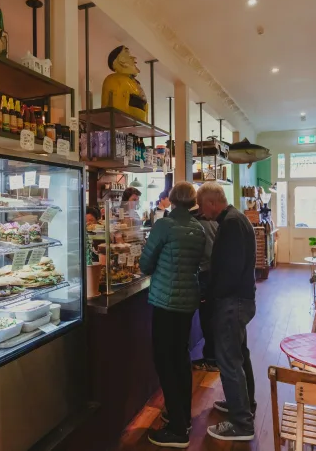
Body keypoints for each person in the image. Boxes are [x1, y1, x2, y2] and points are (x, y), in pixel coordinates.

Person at [139, 182, 207, 448]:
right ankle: (183, 416)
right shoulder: (198, 228)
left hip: (166, 300)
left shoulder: (164, 226)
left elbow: (146, 264)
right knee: (181, 357)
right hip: (188, 299)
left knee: (164, 359)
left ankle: (178, 429)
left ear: (171, 200)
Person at [196, 182, 257, 442]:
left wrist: (212, 295)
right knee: (240, 355)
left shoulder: (230, 223)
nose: (201, 211)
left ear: (211, 202)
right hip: (241, 298)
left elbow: (229, 269)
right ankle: (245, 405)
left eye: (202, 205)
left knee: (229, 360)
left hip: (232, 301)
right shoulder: (236, 218)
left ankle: (241, 423)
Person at [190, 202, 218, 372]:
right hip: (215, 273)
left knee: (206, 318)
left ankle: (211, 359)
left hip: (203, 274)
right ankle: (213, 357)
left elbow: (199, 253)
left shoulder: (196, 224)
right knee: (212, 316)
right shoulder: (215, 221)